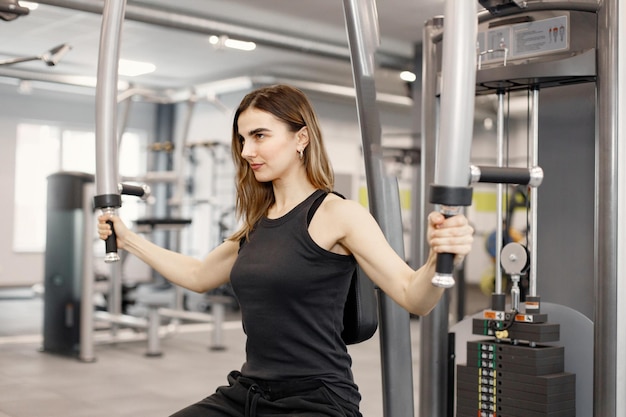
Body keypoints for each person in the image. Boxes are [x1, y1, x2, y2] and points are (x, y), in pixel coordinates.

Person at [98, 84, 474, 417]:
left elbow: (415, 297)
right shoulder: (255, 224)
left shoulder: (338, 214)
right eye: (243, 139)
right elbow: (198, 276)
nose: (247, 151)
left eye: (260, 136)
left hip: (316, 399)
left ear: (301, 138)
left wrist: (440, 259)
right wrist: (128, 238)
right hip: (249, 393)